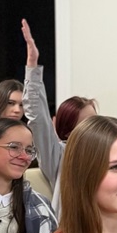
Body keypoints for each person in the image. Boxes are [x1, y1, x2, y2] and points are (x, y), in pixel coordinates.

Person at [21, 18, 97, 215]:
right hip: (70, 230)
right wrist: (32, 66)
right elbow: (37, 119)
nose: (95, 128)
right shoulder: (61, 155)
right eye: (87, 123)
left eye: (95, 121)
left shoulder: (110, 154)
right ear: (69, 132)